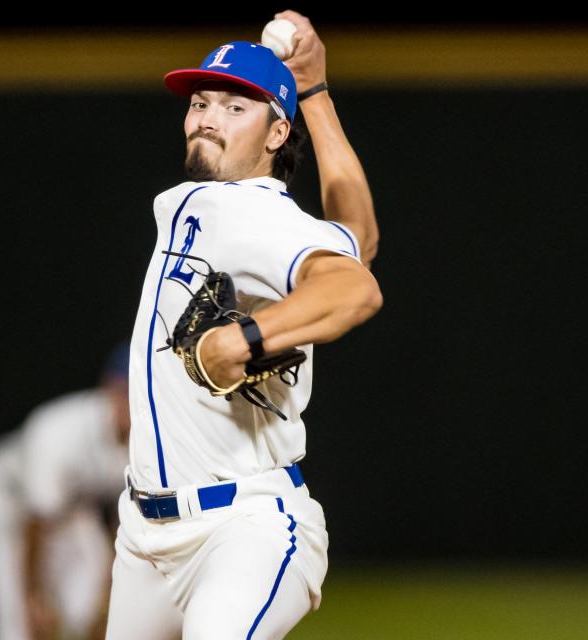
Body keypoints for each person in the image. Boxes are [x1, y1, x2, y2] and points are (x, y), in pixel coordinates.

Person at [105, 9, 382, 640]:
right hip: (145, 537)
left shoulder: (244, 209)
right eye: (201, 101)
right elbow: (357, 241)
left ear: (276, 132)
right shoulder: (218, 207)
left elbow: (355, 285)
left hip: (244, 530)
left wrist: (248, 337)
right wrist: (314, 90)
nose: (207, 117)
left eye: (236, 108)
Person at [0, 344, 132, 640]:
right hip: (2, 500)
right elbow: (36, 521)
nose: (130, 401)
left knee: (100, 610)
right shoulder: (60, 430)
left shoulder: (146, 435)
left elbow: (123, 524)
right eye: (124, 391)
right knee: (18, 620)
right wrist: (35, 598)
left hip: (70, 508)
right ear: (108, 389)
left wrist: (105, 600)